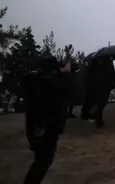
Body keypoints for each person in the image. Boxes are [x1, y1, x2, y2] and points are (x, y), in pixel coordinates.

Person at [23, 56, 70, 184]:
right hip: (46, 127)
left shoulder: (37, 80)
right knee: (43, 160)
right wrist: (63, 74)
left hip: (38, 126)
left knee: (41, 159)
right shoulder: (46, 82)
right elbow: (59, 91)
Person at [92, 57, 115, 128]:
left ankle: (98, 119)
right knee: (102, 103)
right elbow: (112, 76)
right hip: (105, 87)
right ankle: (99, 120)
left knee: (100, 103)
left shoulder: (100, 67)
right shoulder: (108, 67)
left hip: (101, 87)